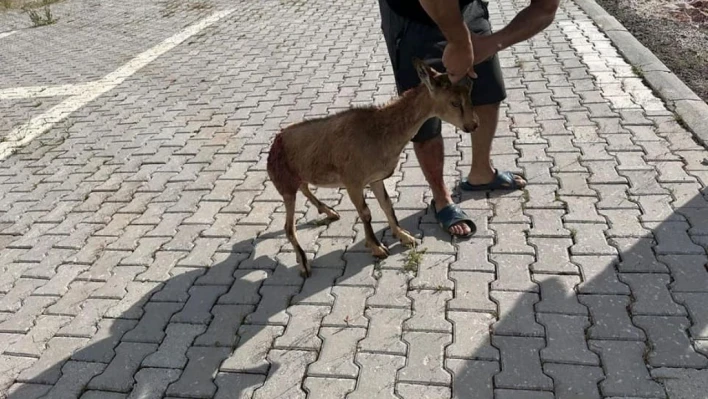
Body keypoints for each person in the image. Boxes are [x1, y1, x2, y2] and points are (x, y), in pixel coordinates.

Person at [378, 0, 559, 237]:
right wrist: (460, 43)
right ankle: (441, 198)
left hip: (465, 7)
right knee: (422, 106)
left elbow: (546, 9)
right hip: (410, 12)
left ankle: (481, 173)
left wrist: (489, 45)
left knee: (487, 87)